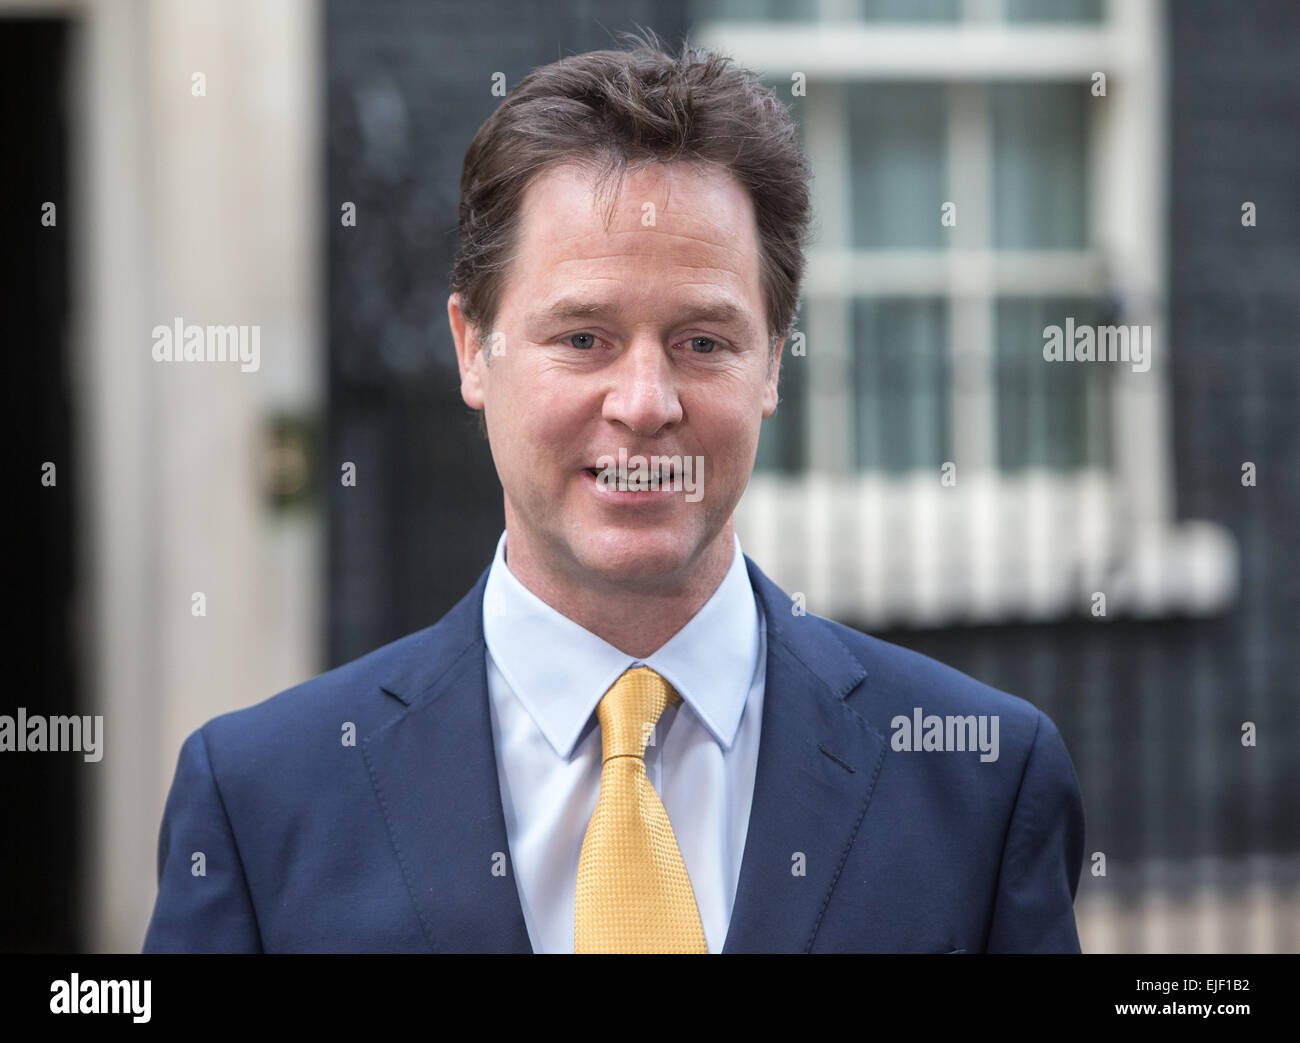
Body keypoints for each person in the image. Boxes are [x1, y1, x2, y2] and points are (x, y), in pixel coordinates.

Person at [143, 34, 1084, 954]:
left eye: (703, 341)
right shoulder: (260, 801)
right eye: (584, 337)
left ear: (772, 364)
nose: (644, 405)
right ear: (474, 349)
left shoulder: (982, 781)